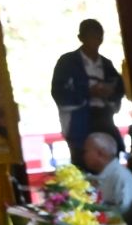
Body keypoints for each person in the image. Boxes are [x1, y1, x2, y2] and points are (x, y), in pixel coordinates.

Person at [49, 18, 123, 154]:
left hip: (104, 118)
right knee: (83, 157)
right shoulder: (67, 62)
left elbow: (119, 89)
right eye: (90, 36)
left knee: (110, 154)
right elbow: (59, 93)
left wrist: (109, 93)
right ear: (81, 38)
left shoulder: (106, 64)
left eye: (98, 37)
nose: (94, 41)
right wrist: (87, 92)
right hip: (78, 121)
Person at [79, 130, 132, 220]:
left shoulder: (121, 176)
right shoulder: (106, 174)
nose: (83, 156)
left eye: (86, 151)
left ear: (100, 153)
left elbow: (123, 210)